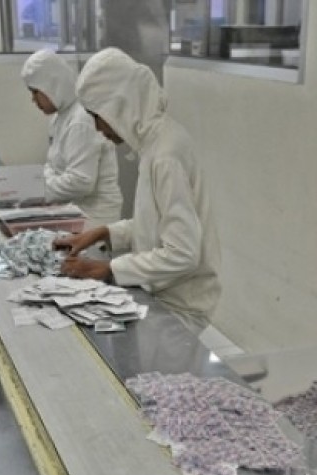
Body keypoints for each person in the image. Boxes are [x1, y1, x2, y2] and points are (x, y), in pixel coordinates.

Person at [54, 48, 220, 334]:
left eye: (97, 115)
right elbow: (156, 224)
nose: (97, 128)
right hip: (163, 292)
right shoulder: (154, 144)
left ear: (119, 105)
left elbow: (183, 253)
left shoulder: (165, 155)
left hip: (181, 304)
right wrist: (104, 233)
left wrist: (108, 269)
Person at [21, 49, 122, 227]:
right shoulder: (61, 116)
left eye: (35, 92)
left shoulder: (81, 119)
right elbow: (52, 166)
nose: (33, 100)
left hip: (94, 219)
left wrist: (38, 192)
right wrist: (36, 187)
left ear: (51, 85)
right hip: (72, 210)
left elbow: (80, 182)